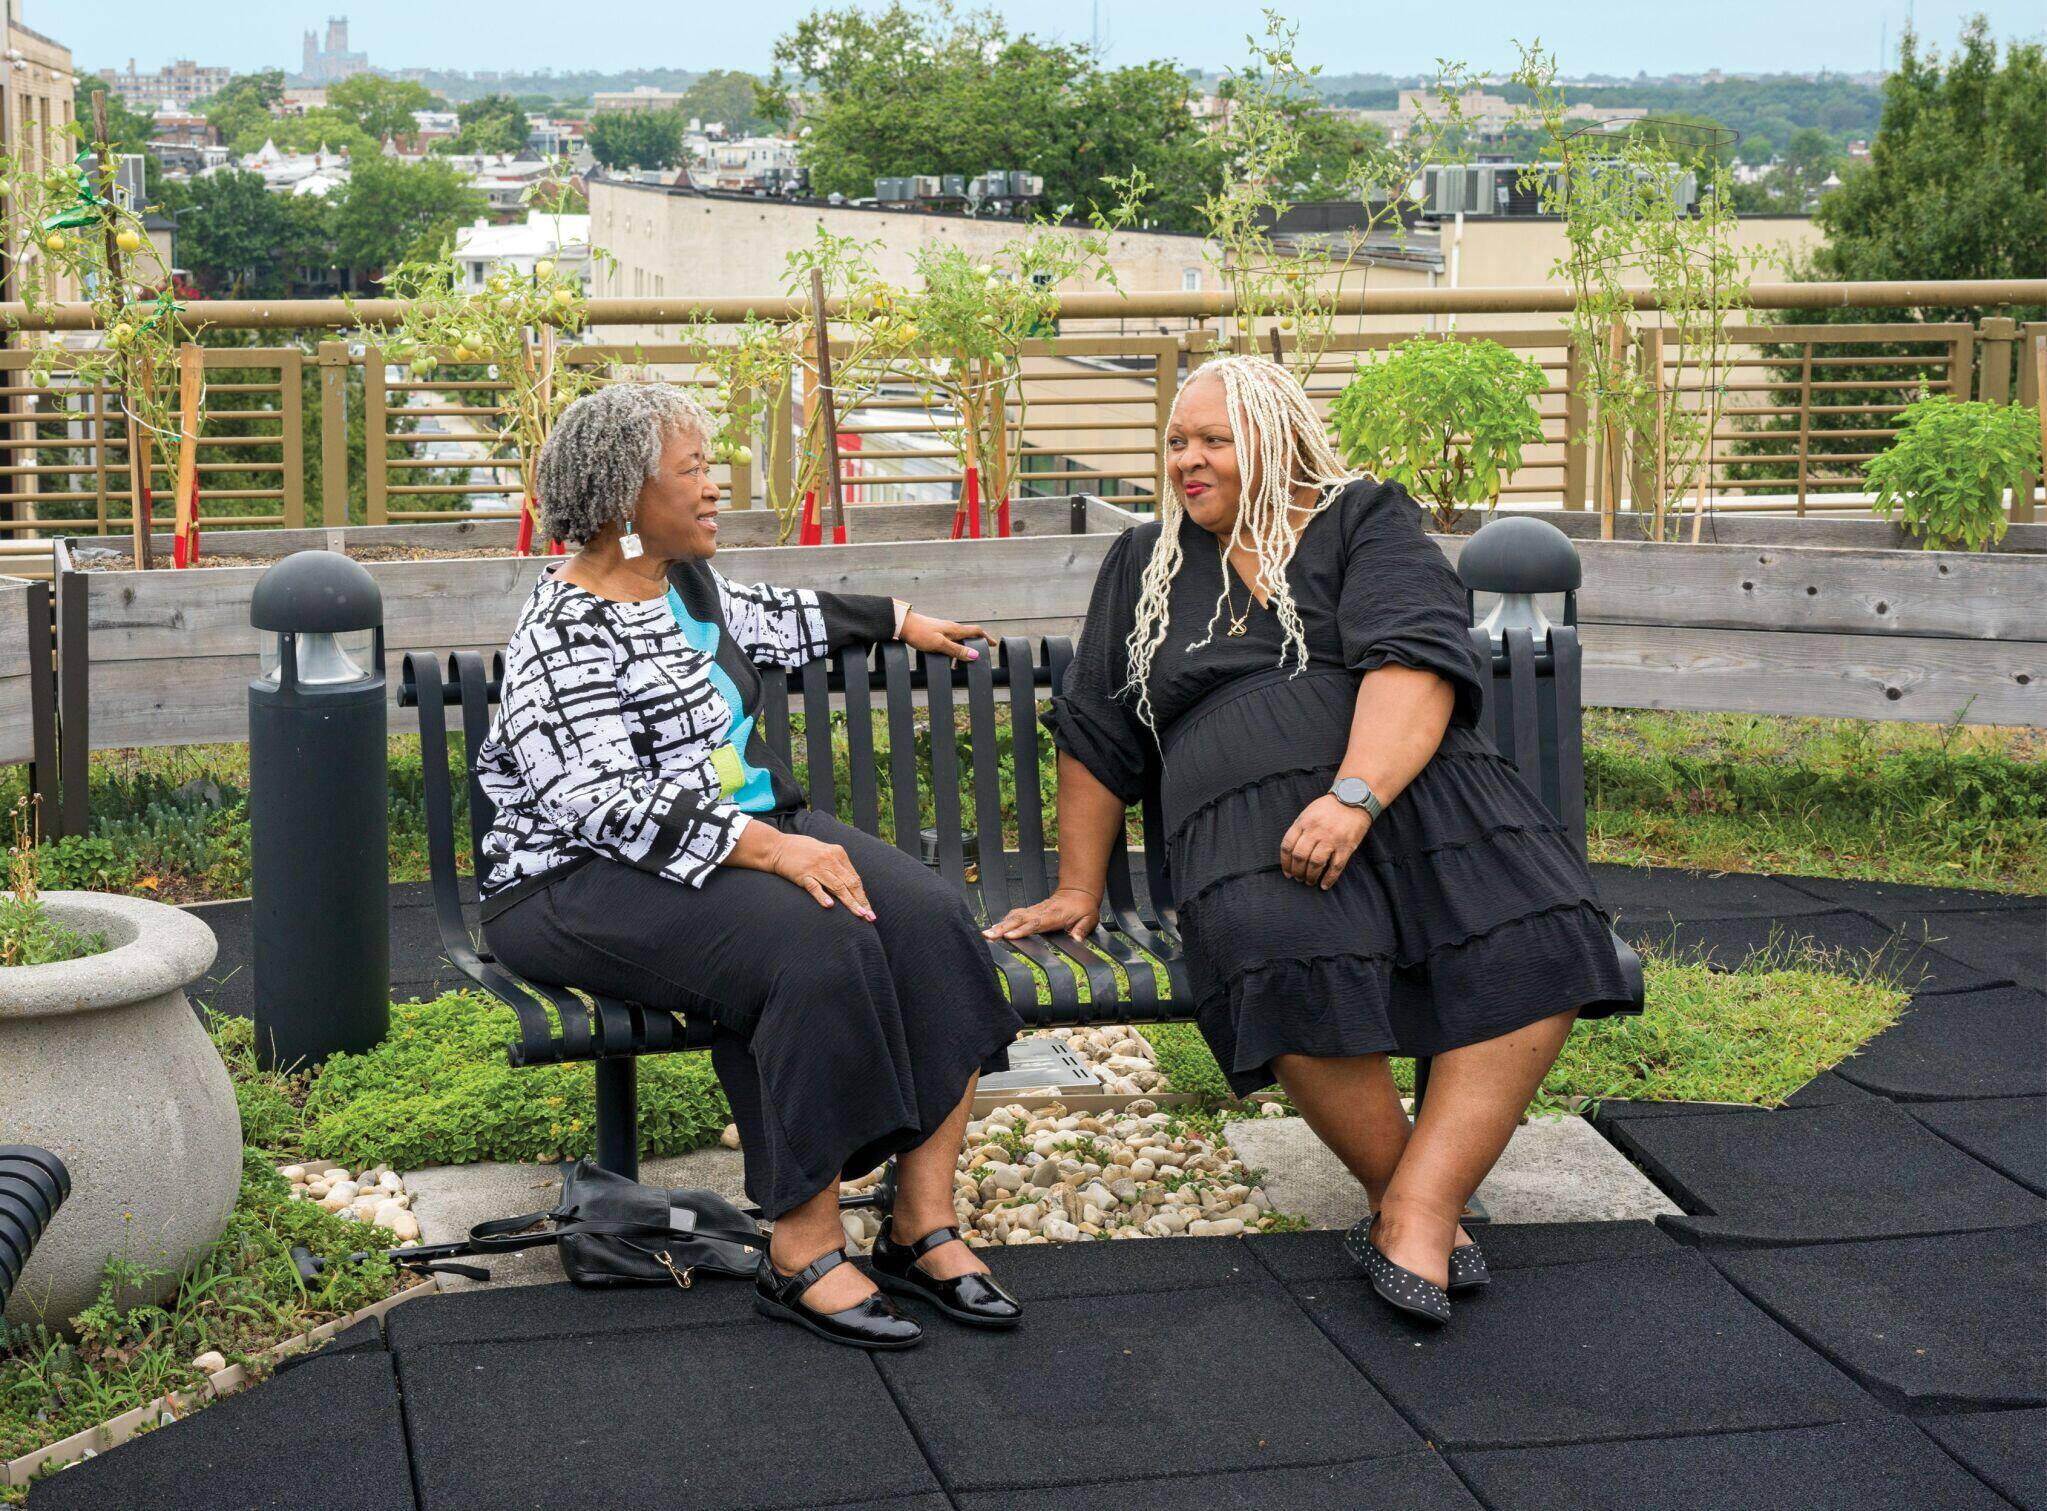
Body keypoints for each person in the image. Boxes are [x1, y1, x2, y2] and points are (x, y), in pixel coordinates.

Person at [986, 355, 1634, 1325]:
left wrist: (1353, 795)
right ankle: (1411, 1199)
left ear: (1274, 440)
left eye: (1212, 441)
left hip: (1410, 785)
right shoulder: (1143, 561)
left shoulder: (1359, 516)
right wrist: (1082, 885)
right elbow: (1097, 729)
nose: (1186, 461)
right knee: (1272, 941)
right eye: (1175, 442)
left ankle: (1415, 1207)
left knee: (1539, 928)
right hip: (1240, 812)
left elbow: (1413, 655)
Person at [477, 382, 1025, 1350]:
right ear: (622, 499)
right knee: (810, 945)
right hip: (571, 877)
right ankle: (800, 1245)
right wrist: (775, 846)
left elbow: (784, 616)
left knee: (932, 919)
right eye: (692, 470)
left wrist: (898, 616)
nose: (715, 486)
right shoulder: (559, 631)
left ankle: (918, 1223)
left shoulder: (686, 583)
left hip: (724, 836)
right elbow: (597, 802)